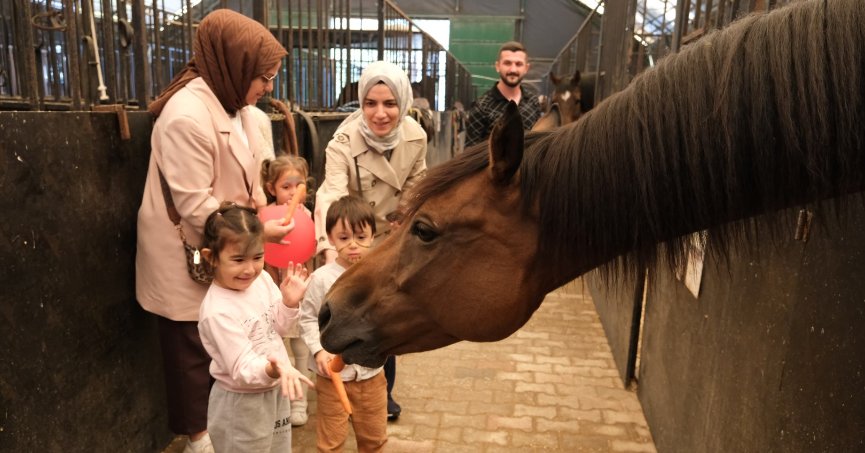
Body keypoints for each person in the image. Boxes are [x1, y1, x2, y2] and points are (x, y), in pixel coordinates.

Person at [135, 9, 293, 452]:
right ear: (234, 64)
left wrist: (262, 215)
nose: (268, 87)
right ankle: (199, 439)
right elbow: (193, 205)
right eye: (263, 76)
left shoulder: (230, 102)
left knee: (225, 340)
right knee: (190, 350)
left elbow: (242, 175)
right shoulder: (187, 115)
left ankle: (224, 427)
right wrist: (258, 231)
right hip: (192, 248)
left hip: (228, 242)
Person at [314, 60, 428, 420]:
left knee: (386, 320)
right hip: (350, 238)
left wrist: (406, 216)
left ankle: (383, 394)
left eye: (390, 103)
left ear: (404, 103)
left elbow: (416, 182)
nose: (380, 114)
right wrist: (331, 246)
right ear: (360, 103)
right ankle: (338, 392)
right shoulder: (343, 143)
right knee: (345, 317)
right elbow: (330, 193)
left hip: (389, 241)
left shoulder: (416, 135)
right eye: (370, 103)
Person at [197, 203, 315, 451]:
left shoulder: (261, 280)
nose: (250, 269)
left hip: (274, 389)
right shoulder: (217, 311)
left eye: (258, 257)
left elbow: (277, 328)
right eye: (238, 259)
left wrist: (289, 304)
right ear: (211, 257)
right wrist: (273, 369)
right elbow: (241, 367)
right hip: (241, 404)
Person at [301, 195, 388, 451]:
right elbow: (307, 317)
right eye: (344, 238)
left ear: (373, 236)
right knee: (331, 444)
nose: (353, 245)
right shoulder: (321, 279)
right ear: (330, 238)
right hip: (331, 378)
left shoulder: (381, 275)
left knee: (375, 440)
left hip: (371, 375)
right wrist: (318, 350)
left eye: (361, 237)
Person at [261, 154, 313, 426]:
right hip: (273, 293)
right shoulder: (265, 218)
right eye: (286, 187)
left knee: (301, 346)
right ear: (272, 189)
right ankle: (281, 399)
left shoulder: (307, 216)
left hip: (300, 292)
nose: (293, 192)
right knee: (276, 347)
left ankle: (300, 401)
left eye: (298, 185)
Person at [465, 41, 543, 146]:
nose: (513, 69)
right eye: (507, 63)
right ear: (497, 66)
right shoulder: (482, 106)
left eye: (519, 64)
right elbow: (470, 153)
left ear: (526, 68)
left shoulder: (533, 102)